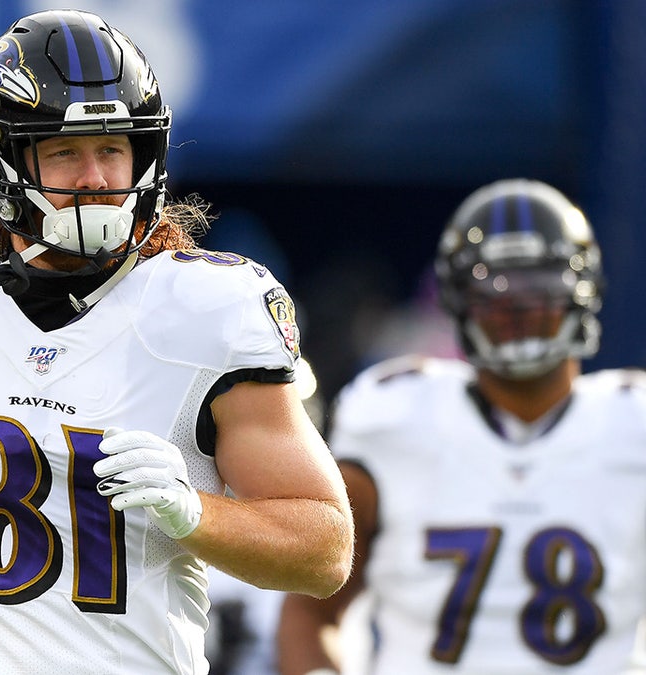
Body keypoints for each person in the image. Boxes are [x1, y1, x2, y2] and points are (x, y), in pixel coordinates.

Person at [0, 9, 352, 675]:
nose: (96, 178)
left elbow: (324, 549)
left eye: (113, 149)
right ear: (2, 159)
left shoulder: (208, 311)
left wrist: (191, 511)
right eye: (64, 151)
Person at [276, 178, 646, 674]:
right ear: (456, 300)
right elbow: (312, 604)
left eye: (537, 288)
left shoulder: (632, 423)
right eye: (494, 291)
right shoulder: (395, 417)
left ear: (582, 291)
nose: (517, 310)